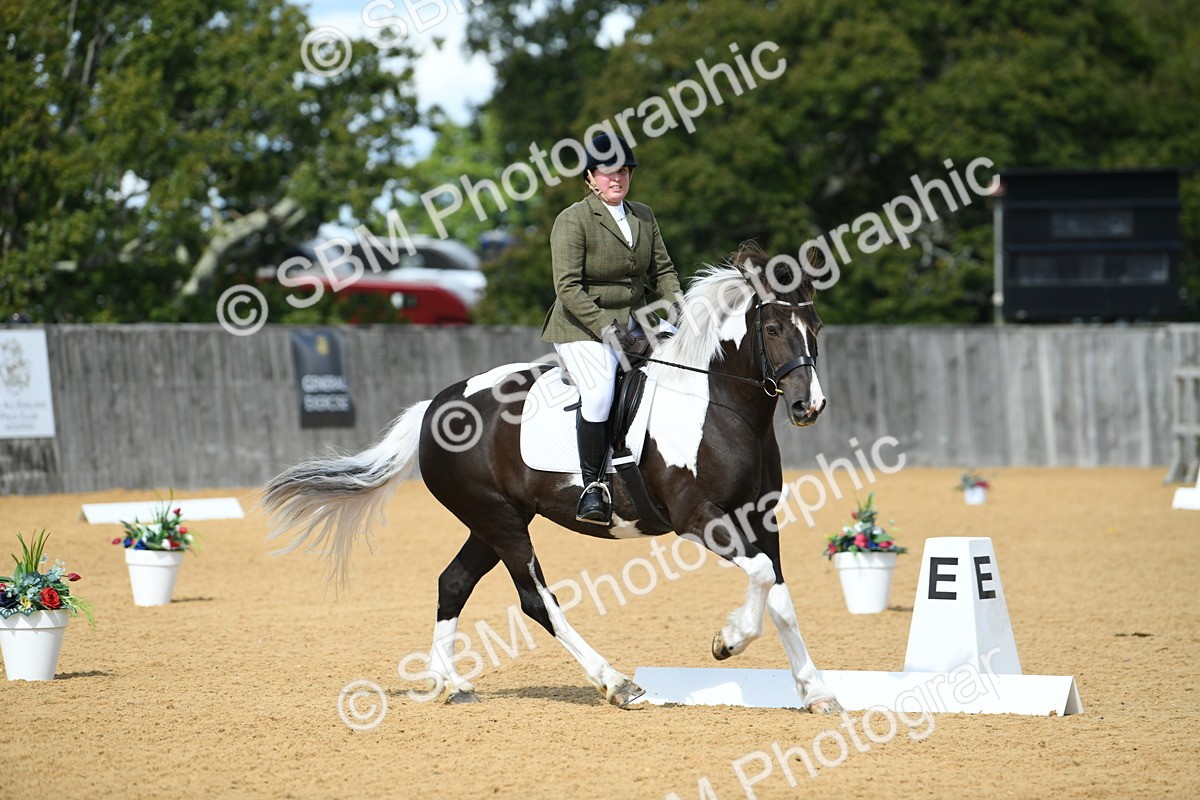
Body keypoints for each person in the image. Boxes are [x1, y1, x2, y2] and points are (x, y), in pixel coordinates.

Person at [540, 133, 681, 525]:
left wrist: (680, 312)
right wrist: (606, 328)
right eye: (607, 172)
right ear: (590, 177)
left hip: (635, 317)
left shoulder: (644, 216)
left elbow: (664, 271)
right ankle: (594, 486)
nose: (615, 178)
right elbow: (567, 287)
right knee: (600, 392)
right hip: (582, 325)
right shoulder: (573, 219)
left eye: (622, 170)